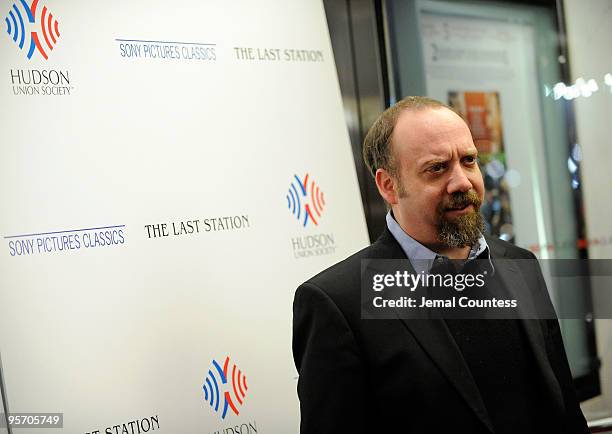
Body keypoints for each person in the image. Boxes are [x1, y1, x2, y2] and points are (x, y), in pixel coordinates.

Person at [292, 96, 589, 433]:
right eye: (437, 168)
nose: (463, 181)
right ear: (388, 185)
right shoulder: (337, 303)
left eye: (469, 160)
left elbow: (565, 413)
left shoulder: (520, 265)